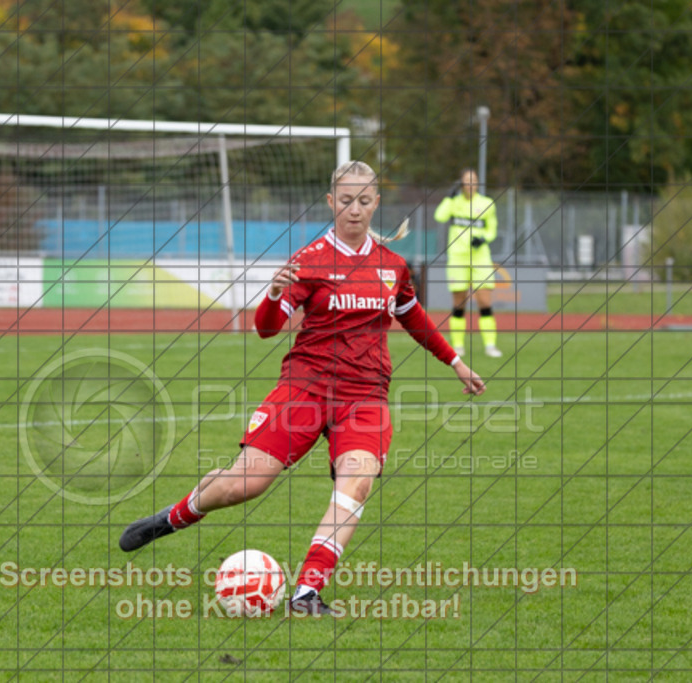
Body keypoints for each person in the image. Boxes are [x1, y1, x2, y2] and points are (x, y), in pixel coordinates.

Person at [119, 161, 486, 615]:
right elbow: (267, 330)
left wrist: (455, 362)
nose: (355, 210)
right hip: (305, 387)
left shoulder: (392, 266)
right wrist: (273, 295)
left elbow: (412, 317)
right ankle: (172, 518)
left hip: (365, 395)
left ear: (376, 203)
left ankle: (306, 592)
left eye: (365, 200)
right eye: (346, 200)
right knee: (244, 486)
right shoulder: (308, 261)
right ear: (332, 202)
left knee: (357, 480)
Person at [434, 169, 502, 358]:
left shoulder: (487, 203)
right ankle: (458, 346)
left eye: (473, 181)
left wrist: (483, 238)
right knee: (459, 302)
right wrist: (448, 198)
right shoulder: (454, 203)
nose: (470, 185)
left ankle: (490, 345)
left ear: (478, 183)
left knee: (484, 301)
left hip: (480, 258)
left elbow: (492, 230)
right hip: (457, 258)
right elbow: (439, 216)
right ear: (461, 184)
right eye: (466, 181)